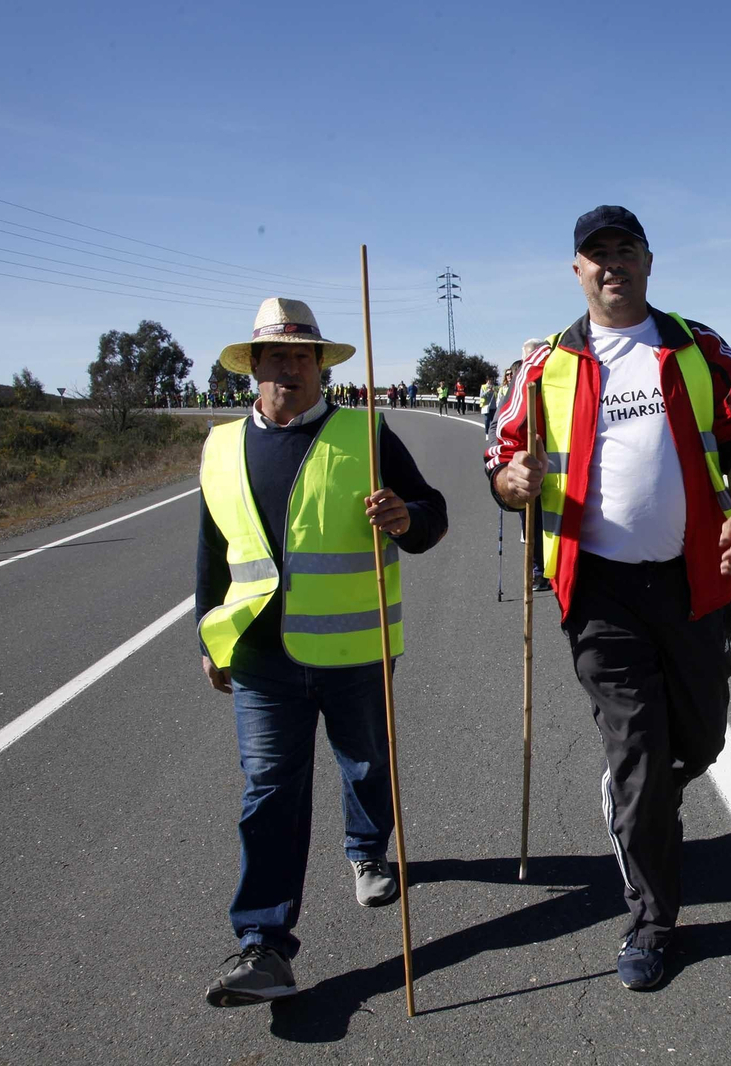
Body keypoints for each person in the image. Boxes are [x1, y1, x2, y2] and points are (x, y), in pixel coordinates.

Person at [486, 206, 731, 992]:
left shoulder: (699, 347)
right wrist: (512, 481)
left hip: (692, 579)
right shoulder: (542, 365)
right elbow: (502, 462)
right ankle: (651, 921)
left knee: (701, 741)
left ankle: (642, 795)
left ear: (648, 260)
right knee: (639, 752)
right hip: (599, 592)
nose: (611, 264)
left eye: (624, 250)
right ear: (577, 269)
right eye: (596, 254)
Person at [196, 297, 448, 1008]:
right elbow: (213, 550)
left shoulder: (365, 432)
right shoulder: (221, 447)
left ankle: (367, 851)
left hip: (354, 647)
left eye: (302, 356)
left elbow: (432, 515)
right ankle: (264, 944)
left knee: (365, 759)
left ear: (320, 367)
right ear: (253, 367)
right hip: (260, 657)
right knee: (269, 790)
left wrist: (404, 519)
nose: (290, 368)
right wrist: (207, 635)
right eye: (276, 356)